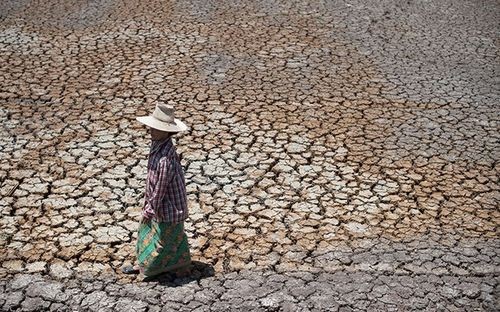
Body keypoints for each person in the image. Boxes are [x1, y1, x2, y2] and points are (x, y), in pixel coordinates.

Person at [122, 103, 191, 279]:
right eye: (151, 127)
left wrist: (150, 208)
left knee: (163, 240)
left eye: (155, 128)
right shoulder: (158, 147)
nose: (151, 130)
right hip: (158, 203)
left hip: (168, 206)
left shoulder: (165, 159)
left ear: (167, 131)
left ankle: (151, 269)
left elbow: (160, 187)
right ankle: (171, 264)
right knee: (159, 235)